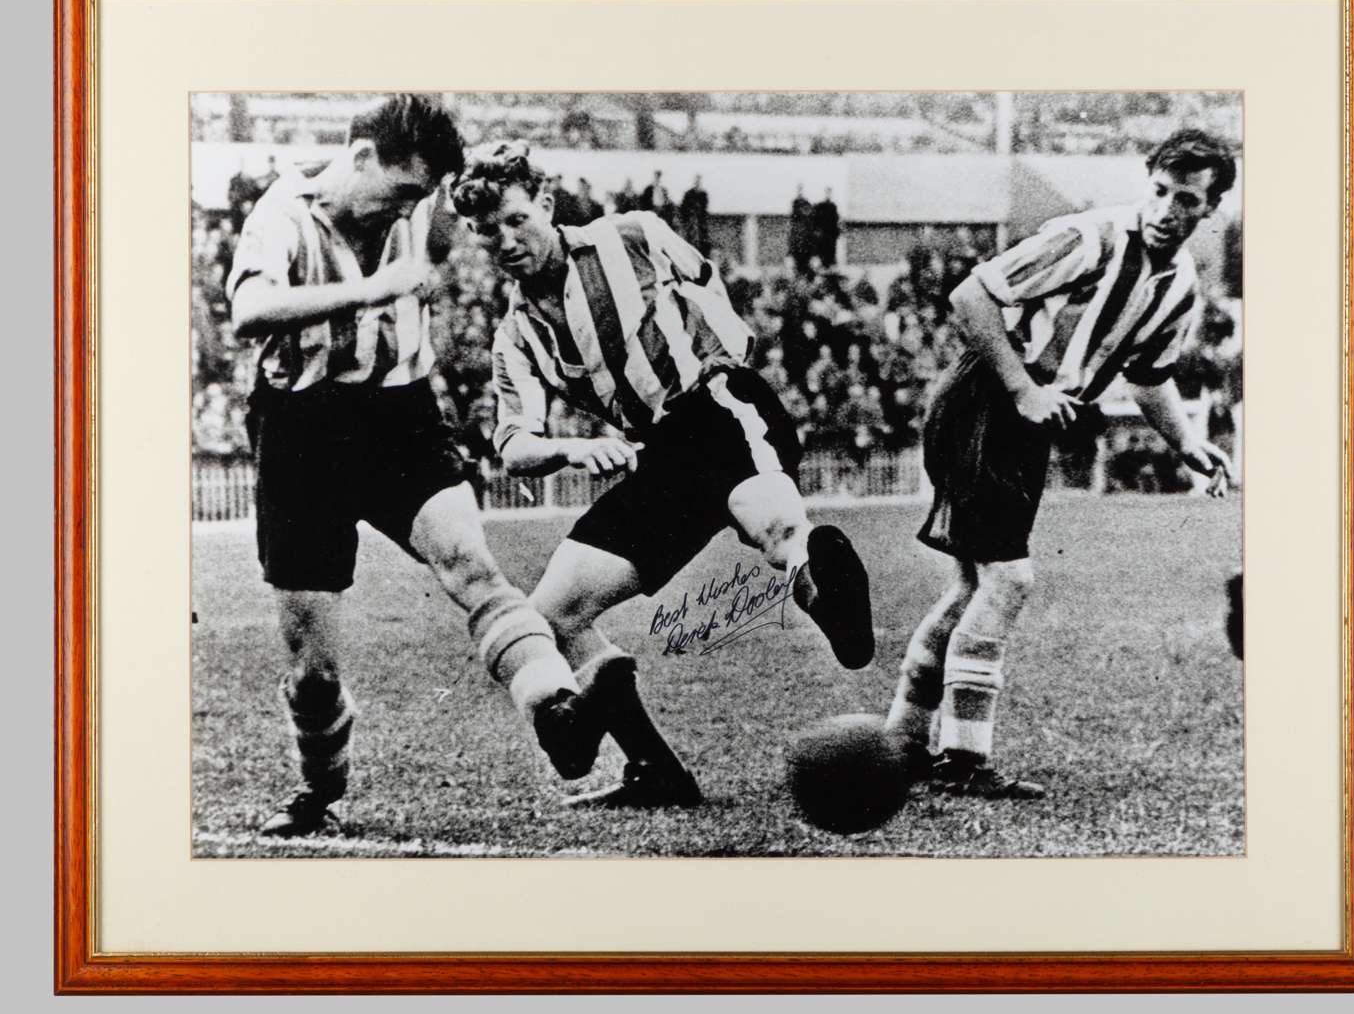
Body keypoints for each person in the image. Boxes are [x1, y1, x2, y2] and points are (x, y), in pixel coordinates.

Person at [225, 95, 639, 838]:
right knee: (313, 674)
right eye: (402, 192)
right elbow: (248, 311)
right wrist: (369, 291)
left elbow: (490, 189)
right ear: (359, 159)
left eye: (419, 196)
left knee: (473, 570)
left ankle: (558, 710)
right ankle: (319, 790)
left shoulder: (414, 201)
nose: (408, 210)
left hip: (396, 416)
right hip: (301, 432)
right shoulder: (281, 214)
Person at [451, 142, 876, 807]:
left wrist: (724, 348)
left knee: (778, 529)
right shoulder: (517, 334)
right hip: (655, 456)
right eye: (486, 234)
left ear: (543, 201)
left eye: (513, 220)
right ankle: (654, 769)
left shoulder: (632, 234)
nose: (505, 242)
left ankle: (820, 586)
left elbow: (704, 279)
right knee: (552, 615)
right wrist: (568, 449)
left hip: (716, 406)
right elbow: (513, 443)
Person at [883, 129, 1238, 798]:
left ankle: (901, 741)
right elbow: (970, 297)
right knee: (1008, 580)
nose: (1166, 209)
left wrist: (1185, 444)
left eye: (1184, 199)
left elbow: (1147, 375)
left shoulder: (1181, 285)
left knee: (971, 587)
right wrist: (1022, 387)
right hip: (985, 400)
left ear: (1208, 209)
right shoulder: (1090, 238)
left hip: (1025, 420)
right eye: (1159, 191)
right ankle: (960, 761)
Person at [679, 175, 711, 258]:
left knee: (703, 238)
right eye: (696, 181)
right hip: (690, 219)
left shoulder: (703, 194)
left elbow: (705, 207)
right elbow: (683, 207)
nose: (697, 183)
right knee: (689, 236)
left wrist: (699, 213)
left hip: (700, 220)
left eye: (699, 181)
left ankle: (703, 255)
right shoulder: (688, 193)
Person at [812, 187, 842, 269]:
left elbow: (836, 219)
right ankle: (823, 264)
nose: (828, 195)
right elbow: (816, 218)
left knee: (831, 249)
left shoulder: (833, 206)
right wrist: (817, 229)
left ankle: (829, 264)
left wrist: (837, 231)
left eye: (830, 193)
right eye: (827, 192)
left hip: (831, 233)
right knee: (822, 248)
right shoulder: (821, 206)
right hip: (824, 233)